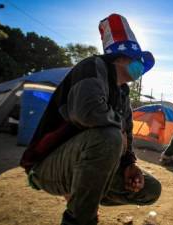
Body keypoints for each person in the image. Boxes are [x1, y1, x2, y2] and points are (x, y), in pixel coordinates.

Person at [19, 14, 161, 225]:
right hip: (48, 167)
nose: (141, 67)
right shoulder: (93, 66)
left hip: (86, 165)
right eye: (137, 60)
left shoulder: (123, 95)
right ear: (121, 57)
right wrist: (118, 132)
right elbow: (87, 111)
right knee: (109, 136)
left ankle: (87, 195)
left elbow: (127, 138)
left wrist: (130, 163)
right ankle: (80, 219)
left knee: (150, 189)